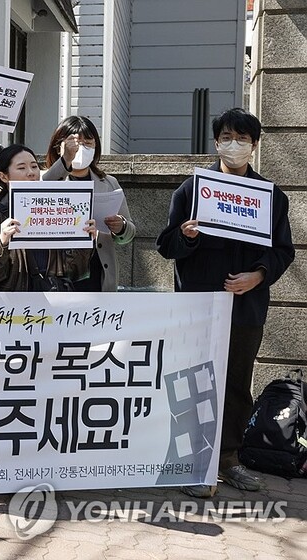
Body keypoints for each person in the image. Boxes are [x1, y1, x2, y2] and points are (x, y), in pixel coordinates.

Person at [157, 108, 294, 498]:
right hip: (199, 305)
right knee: (192, 382)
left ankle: (228, 459)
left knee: (235, 384)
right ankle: (188, 462)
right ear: (216, 142)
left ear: (254, 145)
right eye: (228, 137)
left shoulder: (271, 196)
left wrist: (258, 275)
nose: (235, 145)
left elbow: (283, 250)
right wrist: (188, 236)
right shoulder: (191, 190)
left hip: (245, 309)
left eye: (243, 138)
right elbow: (167, 245)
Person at [0, 144, 95, 291]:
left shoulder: (55, 210)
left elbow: (75, 271)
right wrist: (1, 243)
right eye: (21, 168)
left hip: (54, 302)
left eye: (34, 167)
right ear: (4, 176)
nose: (31, 173)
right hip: (14, 308)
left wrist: (84, 240)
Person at [43, 116, 136, 291]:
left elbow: (129, 233)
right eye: (76, 142)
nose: (82, 148)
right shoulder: (46, 178)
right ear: (59, 145)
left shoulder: (109, 183)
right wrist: (65, 161)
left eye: (88, 143)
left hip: (97, 273)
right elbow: (42, 191)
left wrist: (121, 227)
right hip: (57, 274)